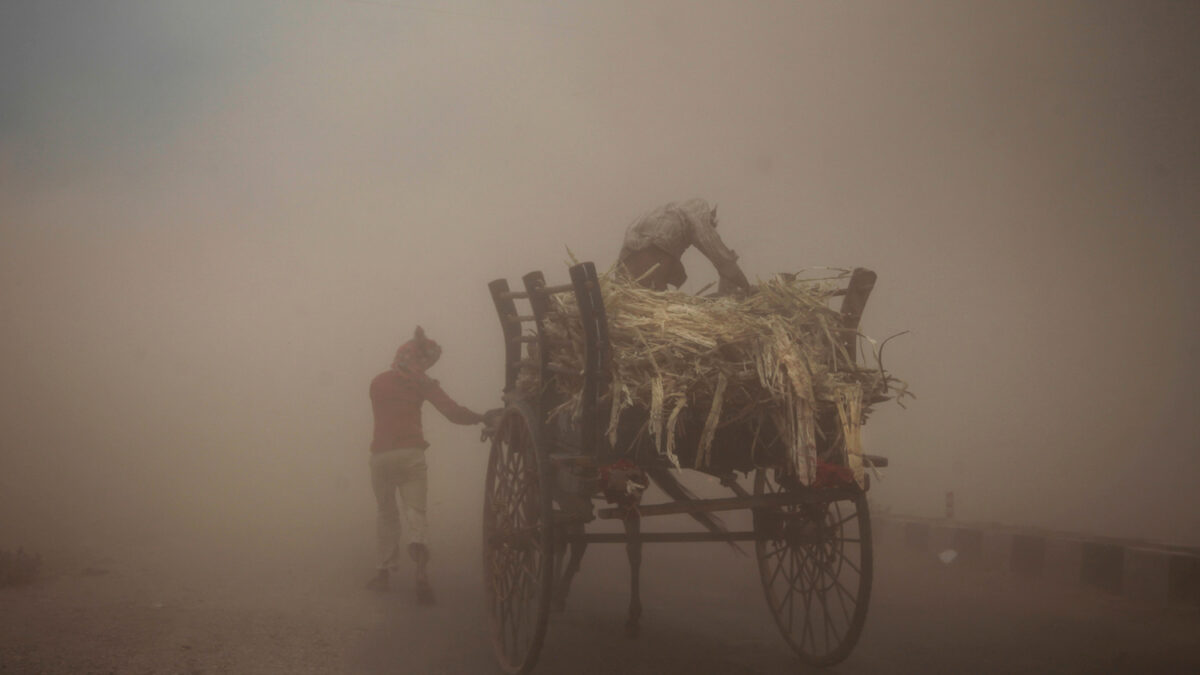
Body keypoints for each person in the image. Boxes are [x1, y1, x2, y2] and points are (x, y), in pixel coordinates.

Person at [366, 326, 492, 604]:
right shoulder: (423, 384)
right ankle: (421, 573)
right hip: (411, 454)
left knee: (386, 514)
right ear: (423, 362)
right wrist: (482, 417)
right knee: (416, 514)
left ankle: (383, 574)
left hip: (381, 456)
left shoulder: (377, 382)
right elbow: (453, 413)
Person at [617, 198, 751, 294]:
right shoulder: (699, 211)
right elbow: (720, 257)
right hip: (656, 247)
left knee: (642, 296)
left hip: (629, 255)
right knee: (658, 299)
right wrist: (746, 287)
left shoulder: (669, 209)